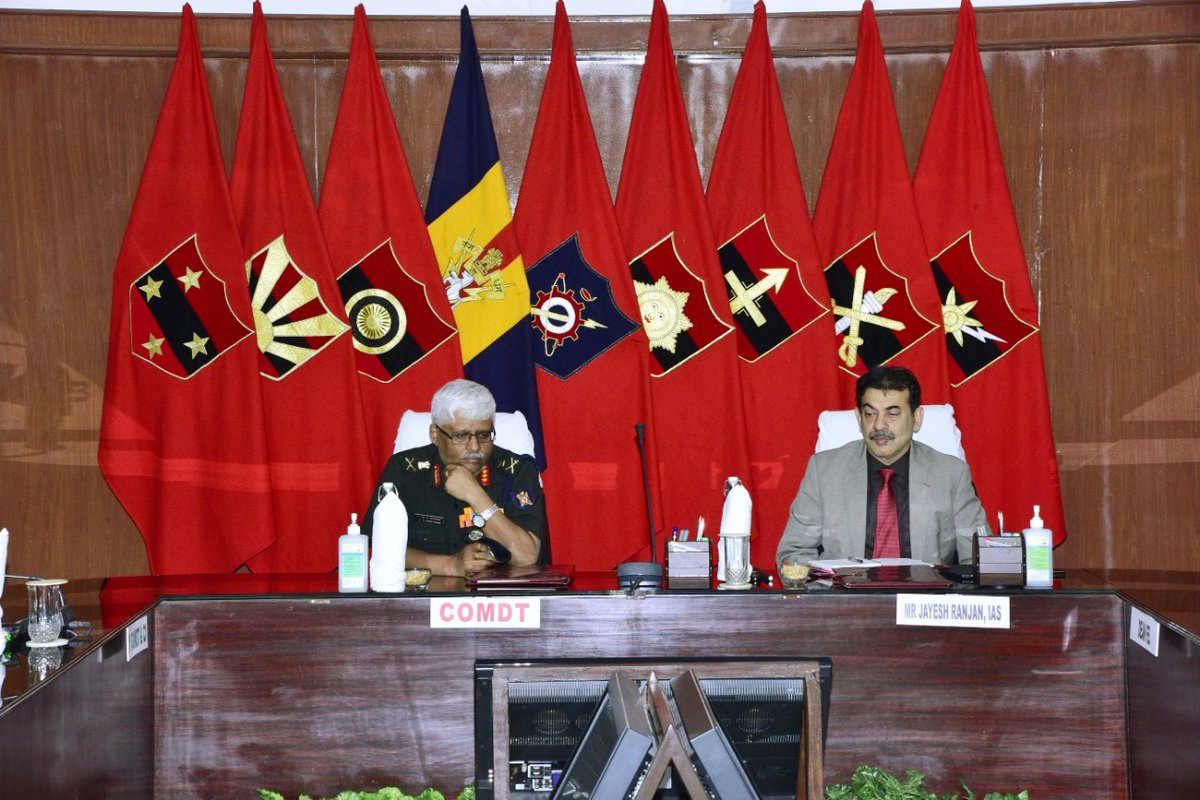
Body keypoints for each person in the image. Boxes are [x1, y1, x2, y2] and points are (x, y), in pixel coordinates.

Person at [776, 365, 987, 567]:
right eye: (870, 414)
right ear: (859, 418)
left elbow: (981, 562)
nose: (878, 425)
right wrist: (824, 586)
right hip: (845, 592)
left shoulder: (951, 474)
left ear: (916, 418)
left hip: (924, 591)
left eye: (892, 414)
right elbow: (793, 553)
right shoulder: (824, 472)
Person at [361, 379, 547, 576]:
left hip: (502, 593)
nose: (474, 447)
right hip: (426, 591)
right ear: (435, 434)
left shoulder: (517, 471)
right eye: (461, 436)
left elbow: (526, 556)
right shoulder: (404, 470)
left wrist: (475, 495)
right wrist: (450, 565)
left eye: (483, 435)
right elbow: (381, 550)